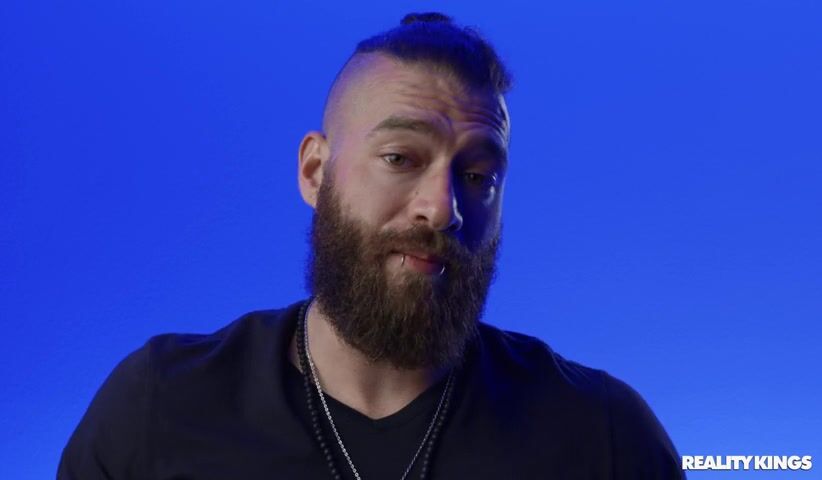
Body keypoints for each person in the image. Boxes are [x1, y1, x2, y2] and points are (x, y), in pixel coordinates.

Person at [59, 12, 684, 480]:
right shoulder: (159, 408)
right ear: (315, 172)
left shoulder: (603, 437)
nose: (442, 207)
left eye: (478, 176)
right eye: (399, 158)